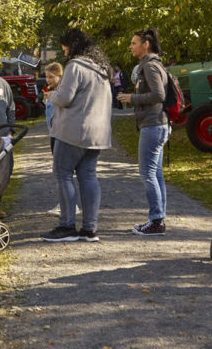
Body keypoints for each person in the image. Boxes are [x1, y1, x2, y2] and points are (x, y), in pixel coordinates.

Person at [44, 29, 113, 242]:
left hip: (73, 132)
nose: (64, 52)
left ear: (73, 46)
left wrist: (51, 95)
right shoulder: (101, 69)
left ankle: (66, 225)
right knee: (88, 176)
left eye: (65, 47)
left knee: (63, 173)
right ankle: (90, 228)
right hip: (97, 134)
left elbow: (65, 98)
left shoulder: (75, 66)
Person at [118, 27, 171, 236]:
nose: (131, 47)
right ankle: (159, 219)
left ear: (145, 44)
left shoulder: (150, 66)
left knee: (147, 173)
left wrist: (132, 99)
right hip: (157, 124)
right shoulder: (154, 65)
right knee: (156, 174)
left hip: (153, 125)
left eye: (134, 43)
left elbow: (159, 95)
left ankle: (156, 221)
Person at [42, 61, 63, 146]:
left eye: (51, 77)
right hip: (52, 133)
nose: (48, 80)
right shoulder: (50, 90)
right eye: (47, 77)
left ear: (60, 76)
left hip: (61, 135)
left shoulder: (62, 92)